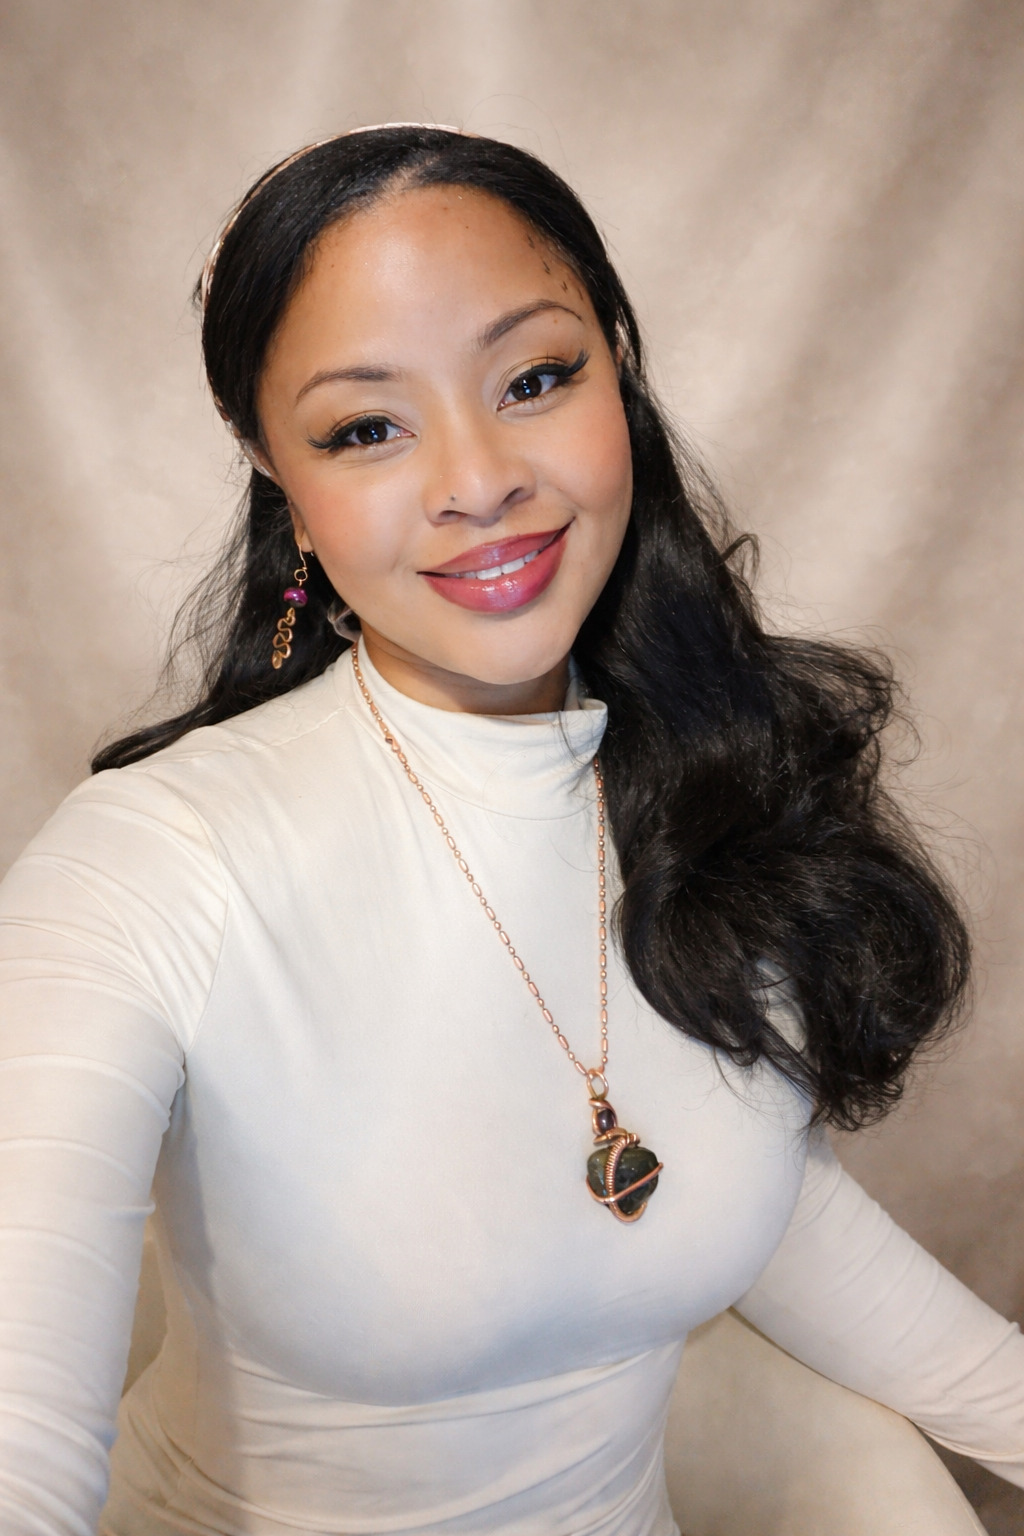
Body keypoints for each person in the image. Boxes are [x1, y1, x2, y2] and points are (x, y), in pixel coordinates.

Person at [0, 123, 1021, 1536]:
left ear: (620, 369)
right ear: (274, 474)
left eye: (535, 378)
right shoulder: (146, 865)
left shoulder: (708, 797)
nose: (480, 480)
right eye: (366, 427)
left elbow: (780, 1226)